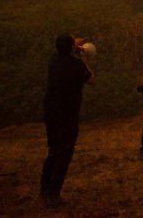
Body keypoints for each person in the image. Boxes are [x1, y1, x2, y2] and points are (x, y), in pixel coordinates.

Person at [41, 34, 95, 207]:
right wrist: (83, 57)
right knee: (65, 152)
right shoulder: (77, 64)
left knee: (53, 149)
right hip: (68, 113)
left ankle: (44, 189)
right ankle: (53, 193)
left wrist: (72, 45)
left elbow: (61, 48)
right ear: (72, 48)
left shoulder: (53, 60)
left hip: (50, 111)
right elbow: (92, 80)